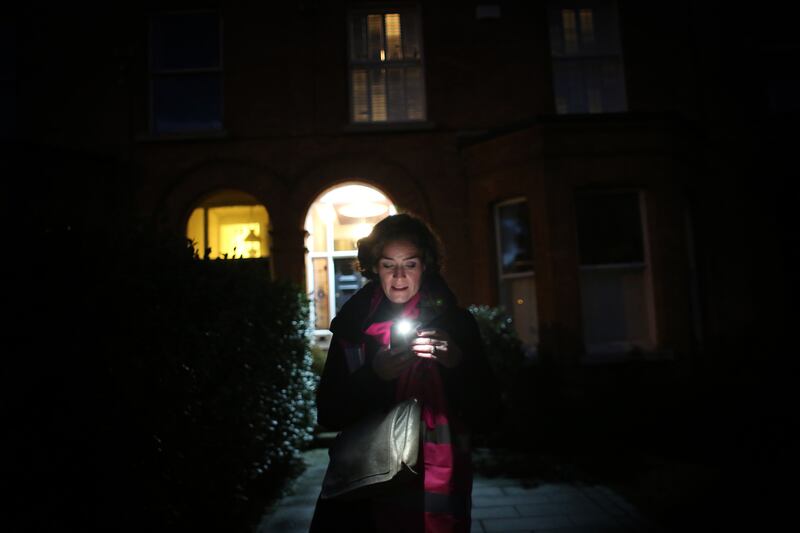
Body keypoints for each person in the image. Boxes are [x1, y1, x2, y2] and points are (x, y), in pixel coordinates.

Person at [310, 213, 501, 532]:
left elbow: (490, 414)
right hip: (367, 492)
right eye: (388, 264)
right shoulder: (354, 327)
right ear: (373, 267)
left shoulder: (455, 325)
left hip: (437, 488)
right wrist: (375, 377)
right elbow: (329, 413)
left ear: (425, 266)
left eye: (410, 264)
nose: (399, 276)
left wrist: (456, 364)